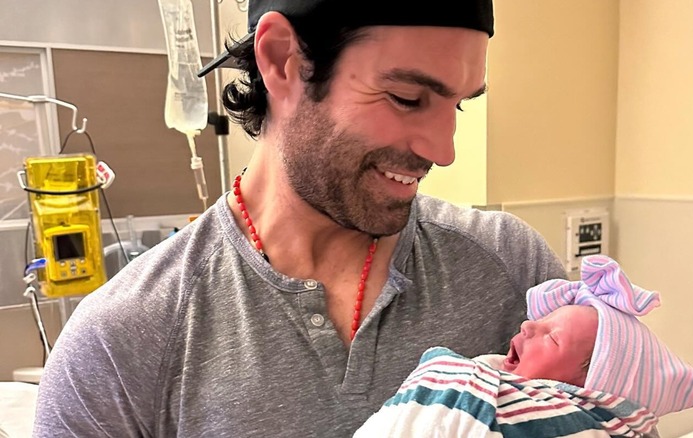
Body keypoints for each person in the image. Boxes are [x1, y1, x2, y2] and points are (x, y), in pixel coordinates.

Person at [33, 0, 568, 436]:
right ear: (282, 59)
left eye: (459, 105)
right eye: (407, 98)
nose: (443, 150)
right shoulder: (125, 341)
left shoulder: (511, 273)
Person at [354, 255, 693, 437]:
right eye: (541, 323)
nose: (528, 325)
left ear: (587, 389)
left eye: (552, 336)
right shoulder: (484, 372)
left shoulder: (576, 421)